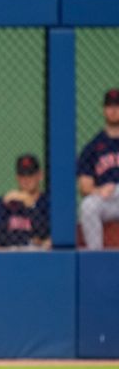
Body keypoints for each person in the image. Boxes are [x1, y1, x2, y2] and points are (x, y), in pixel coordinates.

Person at [78, 88, 119, 249]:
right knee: (88, 205)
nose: (114, 110)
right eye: (110, 106)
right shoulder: (92, 147)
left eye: (117, 105)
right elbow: (84, 187)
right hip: (106, 201)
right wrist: (99, 190)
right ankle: (96, 255)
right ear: (103, 110)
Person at [0, 154, 50, 248]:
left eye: (30, 175)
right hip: (10, 253)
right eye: (22, 175)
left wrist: (31, 206)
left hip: (38, 254)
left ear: (40, 175)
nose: (26, 180)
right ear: (17, 177)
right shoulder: (4, 202)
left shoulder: (48, 202)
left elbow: (43, 232)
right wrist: (28, 241)